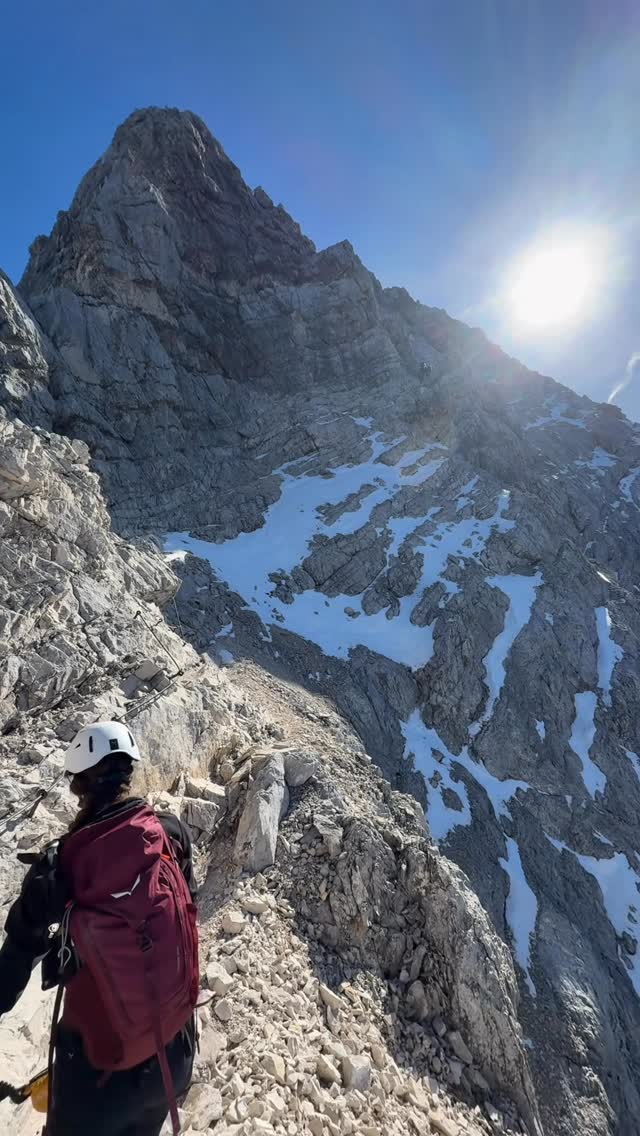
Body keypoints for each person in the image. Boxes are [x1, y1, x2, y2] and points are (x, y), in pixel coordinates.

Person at [0, 720, 199, 1136]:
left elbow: (16, 961)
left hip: (98, 1078)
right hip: (172, 1058)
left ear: (77, 787)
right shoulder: (170, 834)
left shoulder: (60, 867)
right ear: (130, 771)